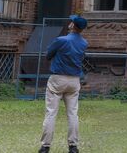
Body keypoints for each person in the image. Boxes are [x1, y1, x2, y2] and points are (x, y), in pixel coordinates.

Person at [39, 15, 87, 153]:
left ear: (73, 25)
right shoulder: (84, 43)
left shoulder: (61, 40)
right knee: (72, 113)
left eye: (72, 22)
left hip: (58, 78)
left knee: (51, 112)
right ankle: (73, 146)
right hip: (74, 80)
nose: (70, 23)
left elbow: (48, 55)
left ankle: (45, 146)